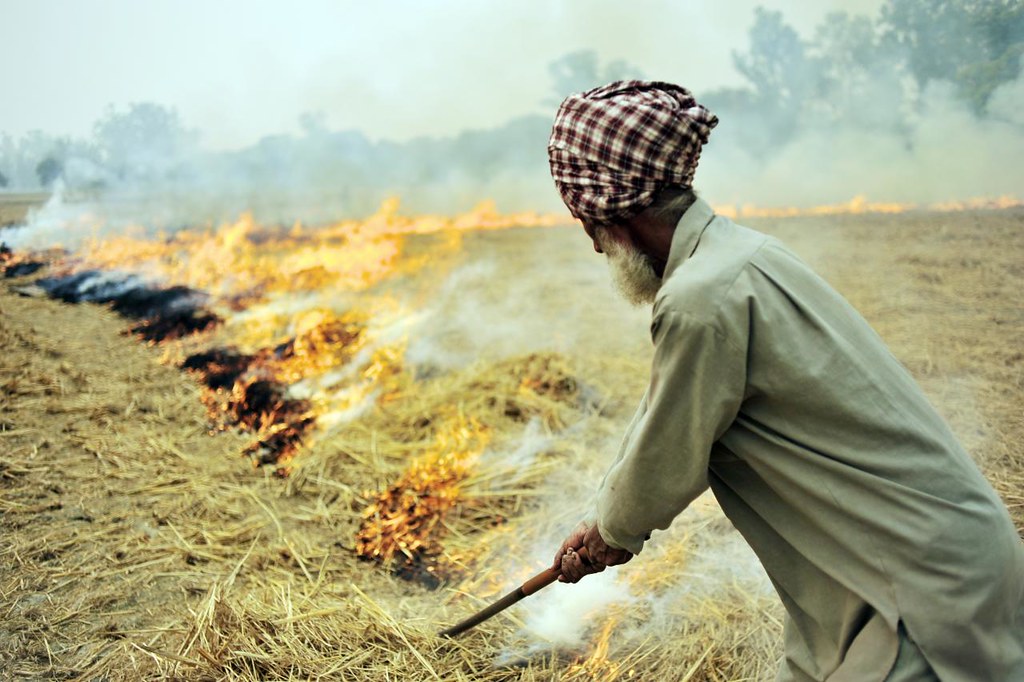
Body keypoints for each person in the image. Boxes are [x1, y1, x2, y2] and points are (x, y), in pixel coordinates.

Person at [547, 80, 1024, 681]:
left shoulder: (701, 298)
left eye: (586, 221)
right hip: (924, 561)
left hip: (913, 589)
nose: (592, 243)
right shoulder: (744, 256)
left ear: (615, 213)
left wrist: (611, 532)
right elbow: (666, 413)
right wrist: (603, 522)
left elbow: (669, 454)